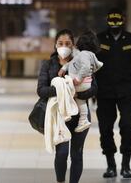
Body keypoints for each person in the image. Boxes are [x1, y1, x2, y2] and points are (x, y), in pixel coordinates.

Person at [96, 8, 131, 179]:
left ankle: (126, 165)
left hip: (125, 92)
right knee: (105, 129)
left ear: (124, 20)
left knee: (127, 126)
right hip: (104, 93)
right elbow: (90, 65)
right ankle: (110, 165)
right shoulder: (99, 39)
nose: (114, 24)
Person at [37, 29, 97, 183]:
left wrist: (78, 95)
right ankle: (61, 180)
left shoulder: (82, 61)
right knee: (62, 153)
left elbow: (94, 88)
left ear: (73, 45)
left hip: (80, 115)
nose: (64, 46)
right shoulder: (48, 64)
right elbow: (41, 90)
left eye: (68, 43)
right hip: (60, 115)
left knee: (76, 153)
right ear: (55, 45)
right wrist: (63, 89)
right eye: (60, 43)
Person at [58, 31, 103, 133]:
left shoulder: (83, 54)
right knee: (80, 101)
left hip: (80, 83)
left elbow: (85, 67)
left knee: (64, 87)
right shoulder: (91, 55)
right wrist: (65, 67)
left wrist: (78, 78)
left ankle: (66, 114)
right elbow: (97, 65)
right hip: (86, 84)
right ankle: (83, 120)